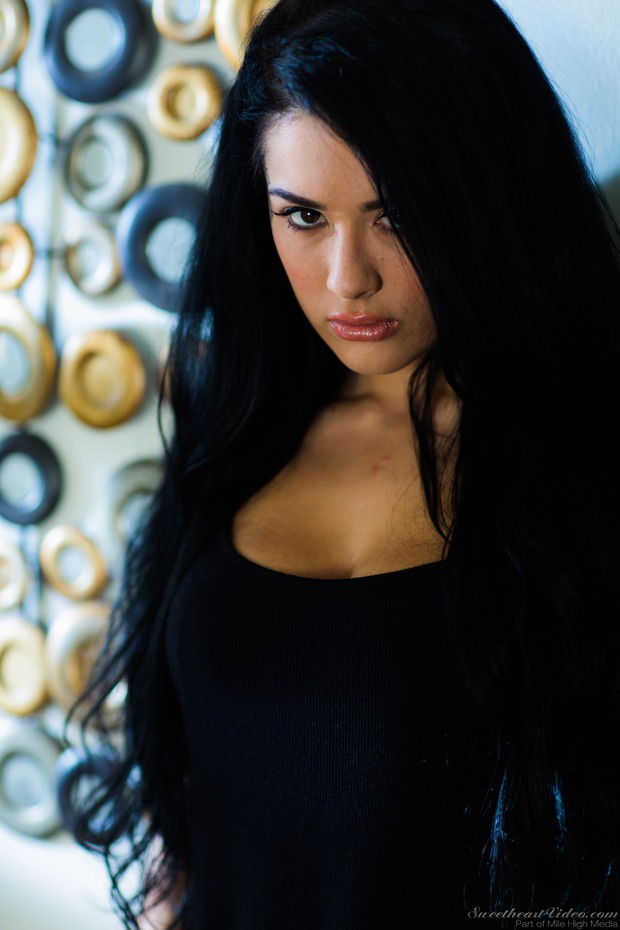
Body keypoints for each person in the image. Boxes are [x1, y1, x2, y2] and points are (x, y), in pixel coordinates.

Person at [75, 0, 620, 927]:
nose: (347, 279)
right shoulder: (238, 421)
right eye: (303, 216)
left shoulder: (588, 471)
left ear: (490, 195)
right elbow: (194, 809)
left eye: (395, 214)